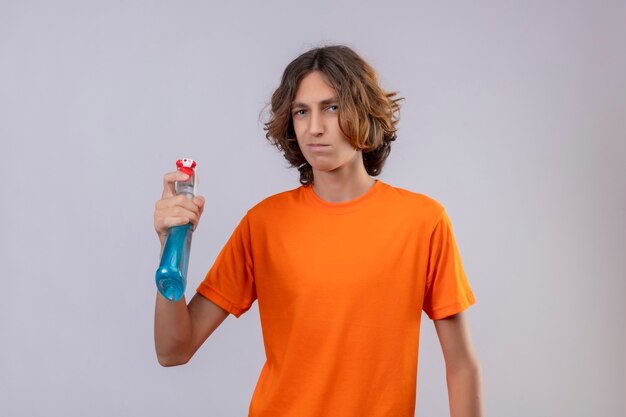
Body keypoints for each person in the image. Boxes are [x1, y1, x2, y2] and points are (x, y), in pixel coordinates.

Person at [153, 45, 483, 417]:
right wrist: (171, 250)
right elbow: (173, 350)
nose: (314, 128)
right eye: (301, 112)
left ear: (364, 109)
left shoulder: (423, 221)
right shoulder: (263, 224)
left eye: (332, 107)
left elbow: (461, 366)